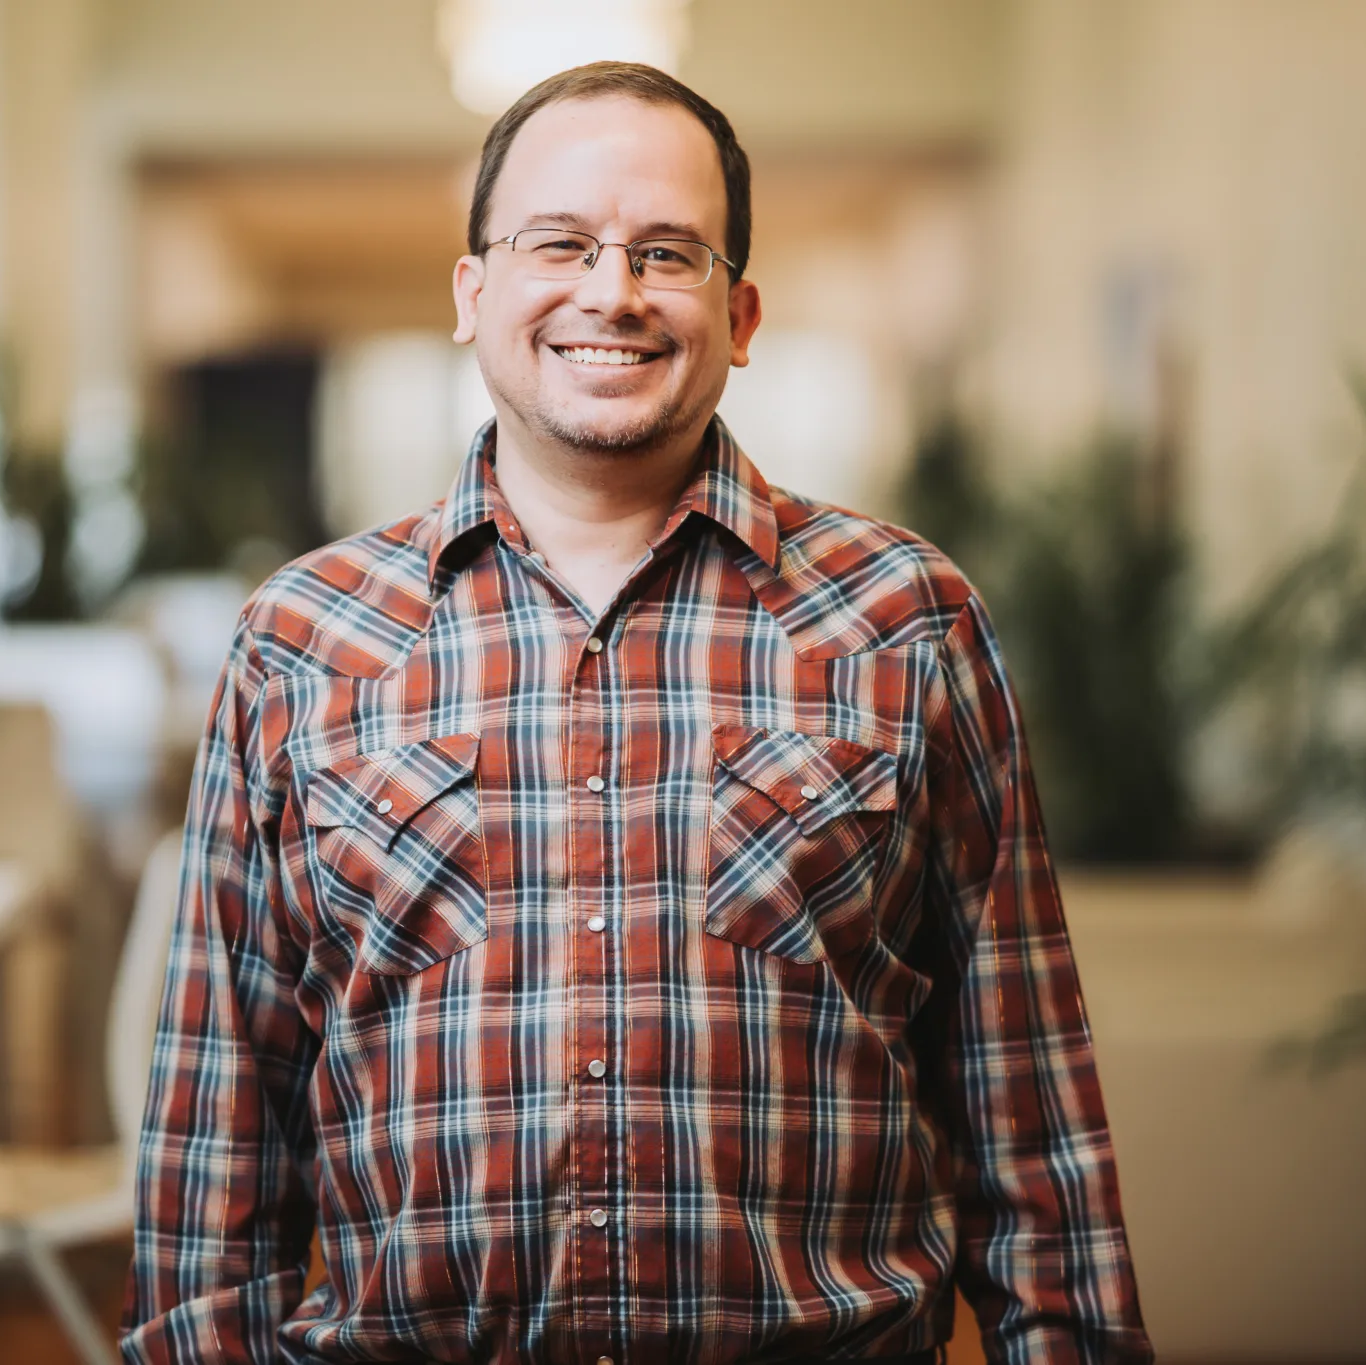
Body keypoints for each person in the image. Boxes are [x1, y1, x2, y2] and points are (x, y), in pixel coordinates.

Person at [123, 61, 1152, 1365]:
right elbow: (215, 1146)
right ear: (472, 292)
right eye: (559, 242)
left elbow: (1030, 1111)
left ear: (742, 310)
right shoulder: (301, 643)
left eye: (666, 252)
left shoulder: (908, 618)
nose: (610, 291)